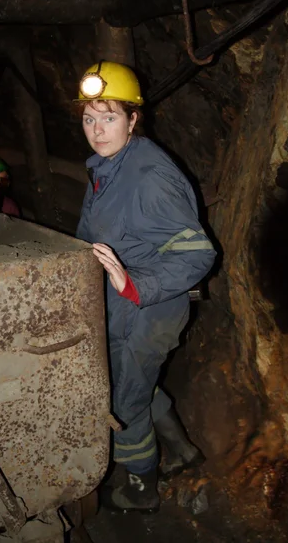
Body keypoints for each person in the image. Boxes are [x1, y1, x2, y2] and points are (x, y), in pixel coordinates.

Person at [74, 61, 216, 513]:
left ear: (134, 119)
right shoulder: (109, 165)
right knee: (138, 384)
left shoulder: (148, 176)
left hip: (149, 310)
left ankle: (143, 491)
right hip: (124, 307)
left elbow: (198, 253)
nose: (97, 130)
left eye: (110, 117)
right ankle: (184, 452)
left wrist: (133, 282)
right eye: (89, 118)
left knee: (124, 401)